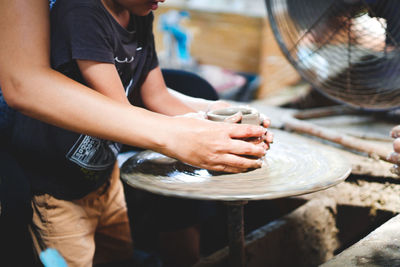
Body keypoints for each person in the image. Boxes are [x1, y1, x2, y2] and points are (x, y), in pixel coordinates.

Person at [0, 0, 273, 266]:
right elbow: (119, 110)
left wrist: (222, 116)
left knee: (118, 256)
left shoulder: (139, 10)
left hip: (103, 177)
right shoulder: (81, 13)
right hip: (58, 188)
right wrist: (186, 132)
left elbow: (158, 96)